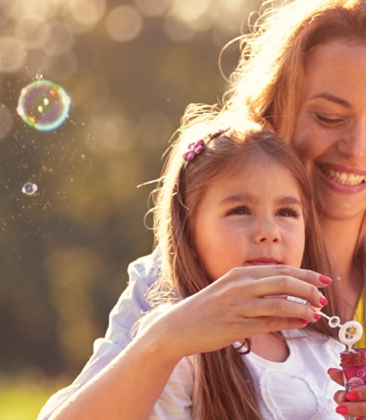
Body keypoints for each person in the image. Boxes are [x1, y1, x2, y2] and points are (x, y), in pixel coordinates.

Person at [40, 0, 366, 418]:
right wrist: (163, 341)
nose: (356, 147)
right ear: (274, 113)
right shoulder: (177, 281)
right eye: (328, 117)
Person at [50, 122, 347, 418]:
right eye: (239, 210)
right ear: (189, 235)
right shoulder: (179, 348)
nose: (269, 232)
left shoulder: (326, 350)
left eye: (286, 212)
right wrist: (165, 343)